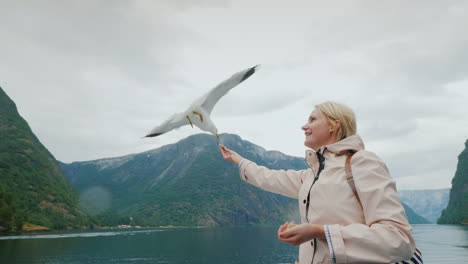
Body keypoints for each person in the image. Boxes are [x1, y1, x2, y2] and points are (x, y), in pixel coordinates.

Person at [219, 101, 416, 264]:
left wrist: (318, 231)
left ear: (334, 125)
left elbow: (397, 239)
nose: (304, 126)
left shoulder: (362, 162)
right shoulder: (312, 175)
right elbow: (269, 177)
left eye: (312, 119)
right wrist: (239, 160)